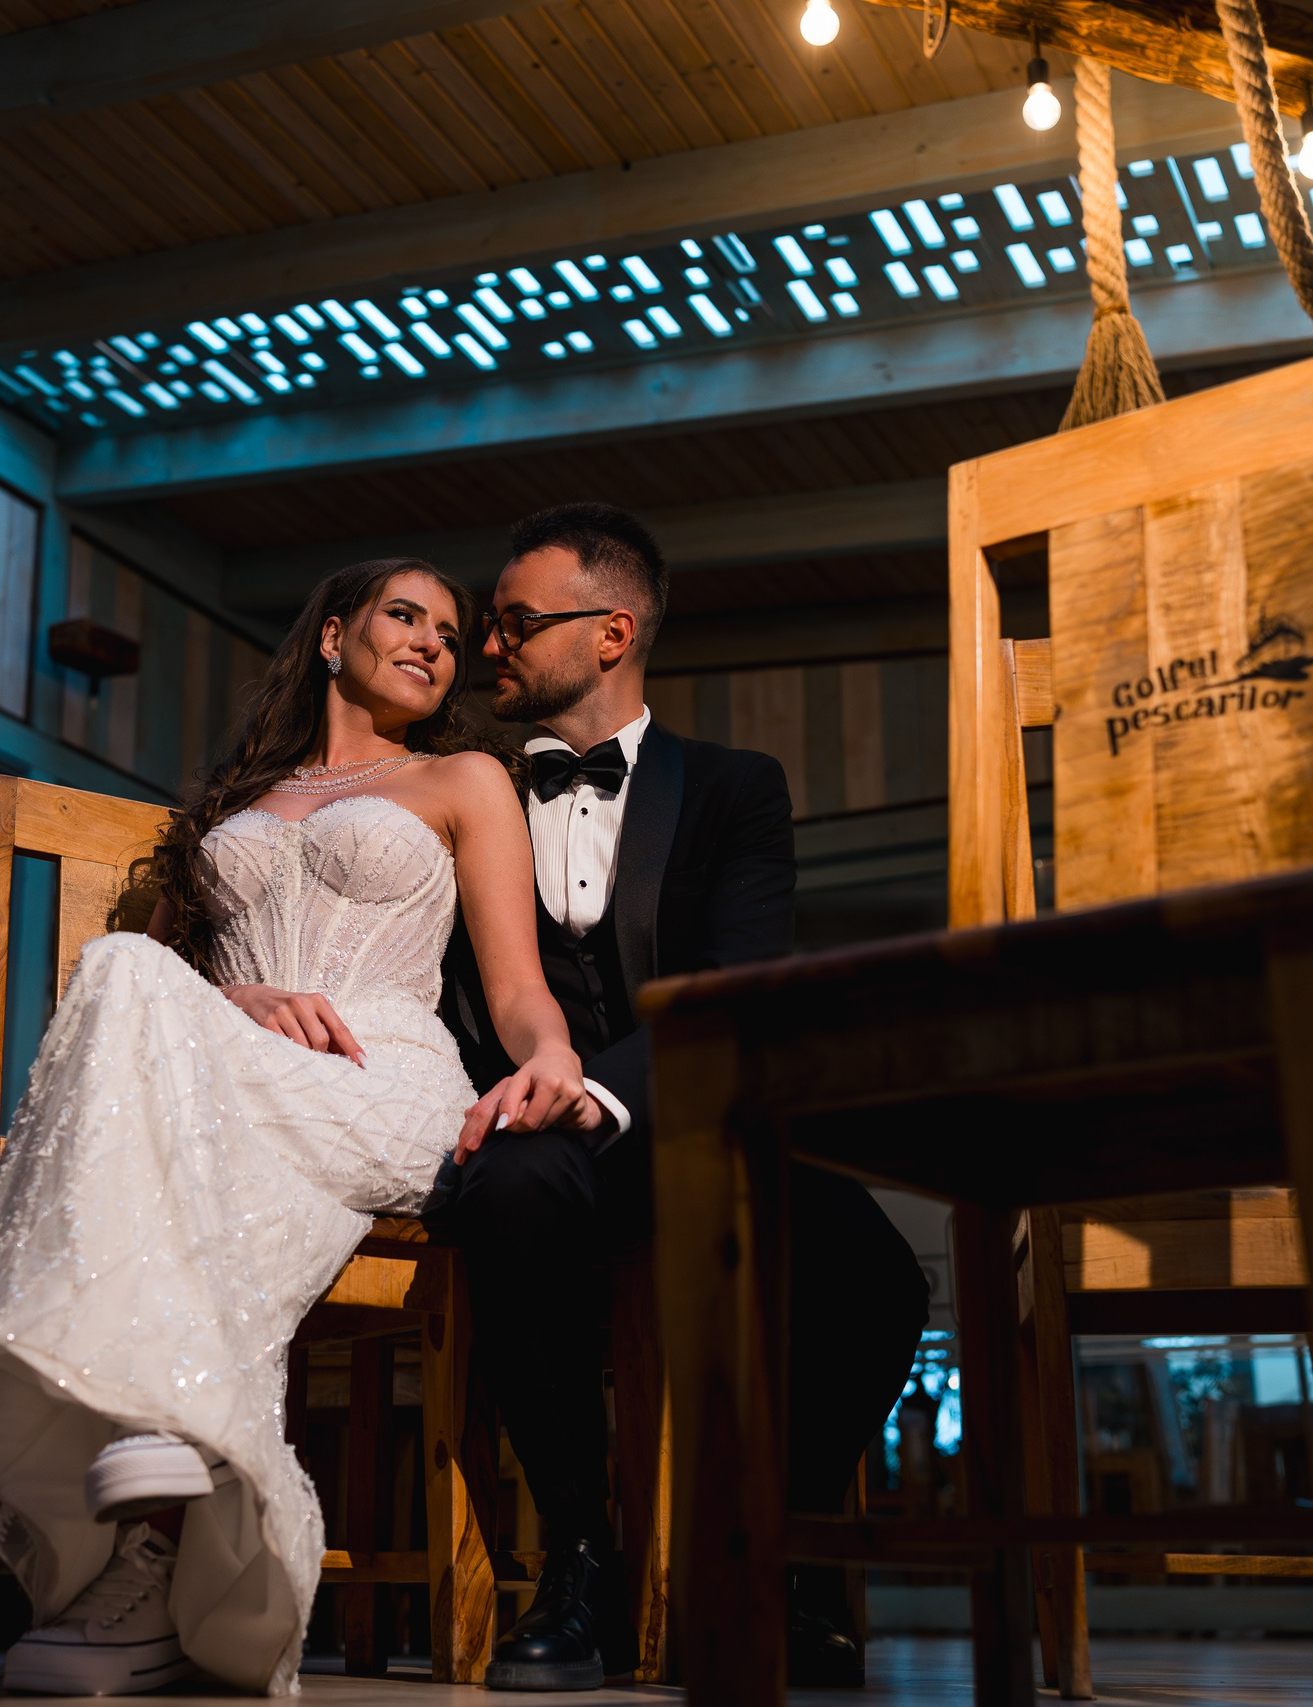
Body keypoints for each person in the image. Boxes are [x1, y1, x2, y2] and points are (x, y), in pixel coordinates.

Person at [0, 558, 591, 1697]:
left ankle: (141, 1480)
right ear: (331, 634)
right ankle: (149, 1529)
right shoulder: (227, 807)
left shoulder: (462, 778)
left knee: (126, 982)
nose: (432, 644)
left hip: (380, 1075)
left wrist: (550, 1054)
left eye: (450, 635)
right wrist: (236, 999)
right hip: (235, 1071)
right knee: (121, 964)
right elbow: (153, 982)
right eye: (405, 617)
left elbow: (512, 985)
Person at [429, 503, 932, 1690]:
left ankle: (785, 1555)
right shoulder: (465, 790)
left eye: (514, 622)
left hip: (701, 1120)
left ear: (611, 633)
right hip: (526, 1131)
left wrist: (597, 1091)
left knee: (874, 1274)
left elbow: (735, 986)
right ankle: (580, 1564)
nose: (488, 646)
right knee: (508, 1190)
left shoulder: (733, 790)